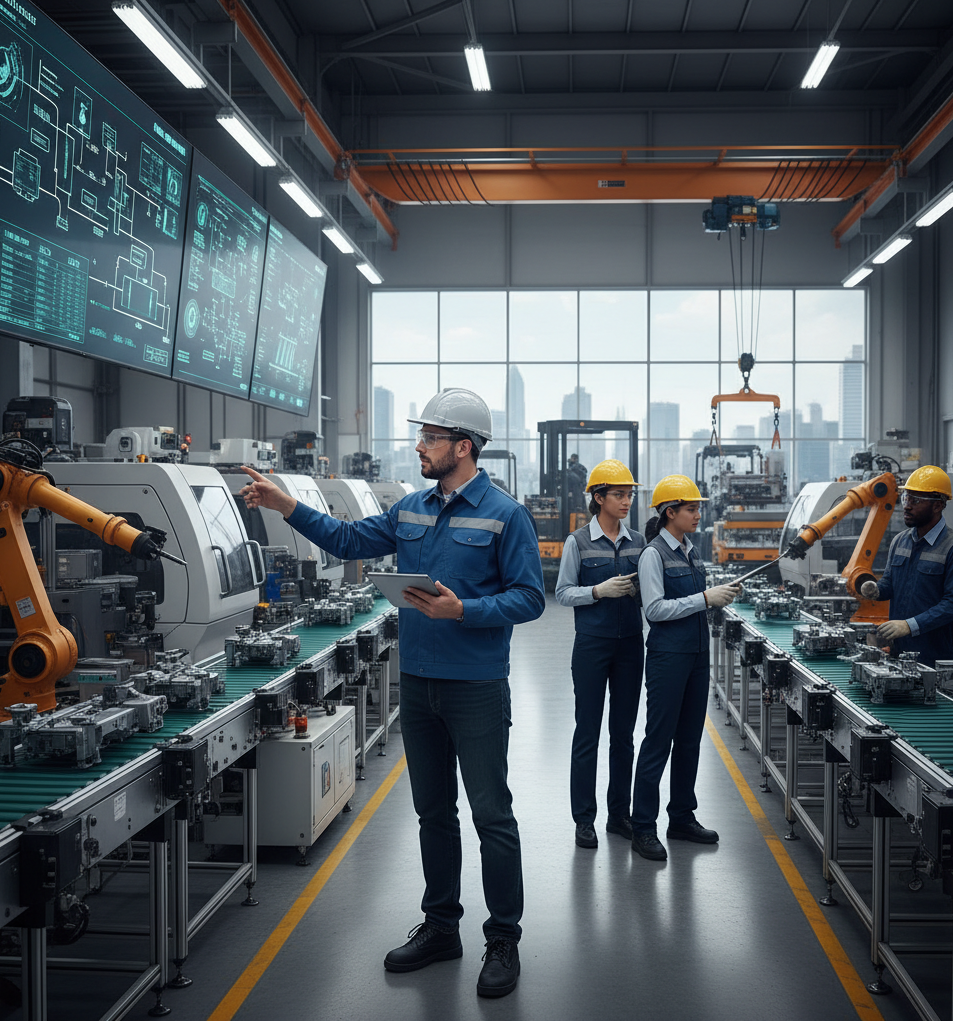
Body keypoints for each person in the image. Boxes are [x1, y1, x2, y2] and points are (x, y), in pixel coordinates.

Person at [240, 388, 545, 999]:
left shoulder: (506, 515)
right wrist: (286, 505)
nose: (419, 447)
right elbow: (350, 540)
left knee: (491, 816)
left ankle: (503, 939)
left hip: (477, 688)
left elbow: (531, 597)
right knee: (433, 813)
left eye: (430, 438)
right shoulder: (410, 509)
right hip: (421, 683)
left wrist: (467, 608)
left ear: (463, 447)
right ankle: (441, 927)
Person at [630, 475, 740, 862]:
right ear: (669, 512)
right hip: (667, 657)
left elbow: (693, 602)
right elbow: (655, 610)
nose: (698, 514)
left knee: (690, 740)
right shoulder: (653, 555)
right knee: (658, 740)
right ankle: (643, 827)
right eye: (692, 509)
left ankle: (681, 817)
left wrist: (716, 599)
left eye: (698, 508)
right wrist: (704, 598)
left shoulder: (692, 551)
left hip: (696, 656)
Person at [554, 459, 644, 850]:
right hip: (591, 644)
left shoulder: (640, 542)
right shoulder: (578, 542)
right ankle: (583, 820)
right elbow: (562, 592)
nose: (627, 501)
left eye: (630, 495)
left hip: (630, 646)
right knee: (587, 733)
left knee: (623, 735)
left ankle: (618, 816)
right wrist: (597, 591)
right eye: (619, 495)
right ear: (598, 497)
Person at [860, 465, 953, 665]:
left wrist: (910, 625)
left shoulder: (951, 547)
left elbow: (952, 604)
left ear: (938, 505)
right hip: (900, 653)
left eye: (915, 500)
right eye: (905, 498)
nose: (906, 506)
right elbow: (891, 583)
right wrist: (876, 589)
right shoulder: (900, 541)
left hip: (938, 658)